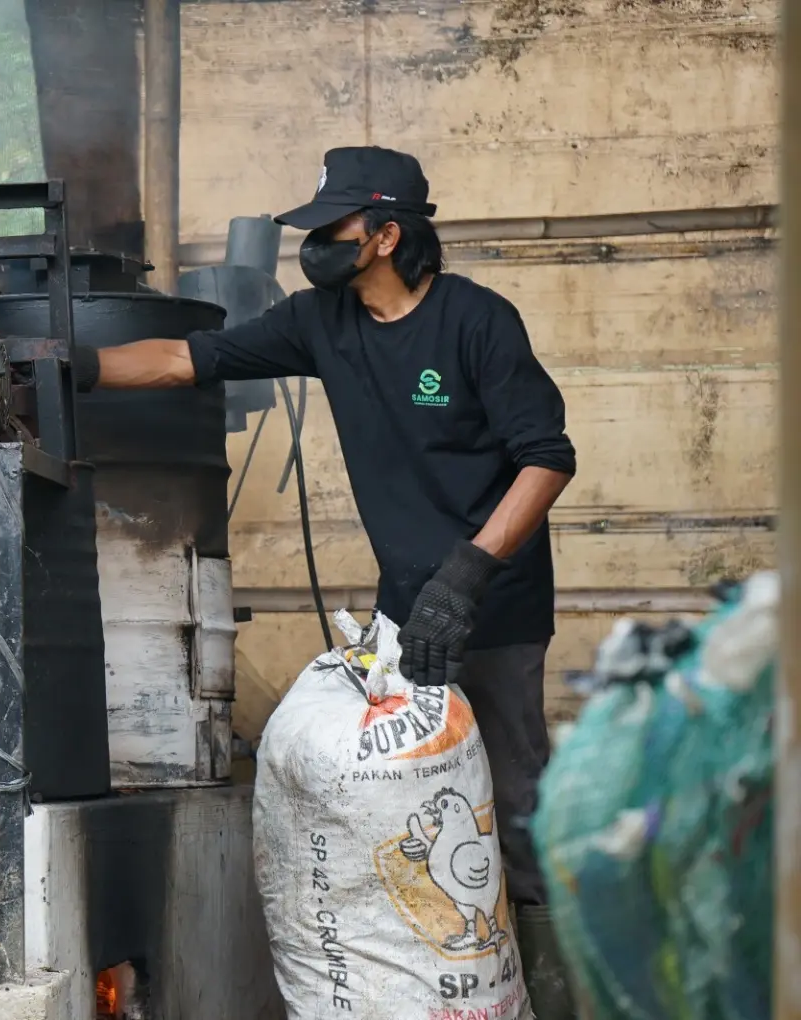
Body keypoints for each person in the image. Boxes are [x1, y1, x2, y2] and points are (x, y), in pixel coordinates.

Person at [69, 146, 577, 1015]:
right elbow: (190, 359)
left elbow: (546, 459)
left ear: (385, 235)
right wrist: (62, 366)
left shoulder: (477, 322)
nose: (312, 244)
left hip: (493, 606)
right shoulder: (320, 321)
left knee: (511, 806)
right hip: (401, 612)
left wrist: (469, 569)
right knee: (414, 809)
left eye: (330, 229)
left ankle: (551, 997)